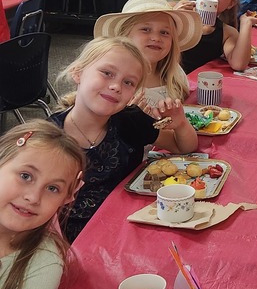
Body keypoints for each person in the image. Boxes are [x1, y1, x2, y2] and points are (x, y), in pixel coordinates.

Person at [49, 37, 197, 242]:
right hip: (72, 243)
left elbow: (183, 147)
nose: (116, 86)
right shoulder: (48, 139)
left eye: (128, 82)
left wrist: (180, 124)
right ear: (78, 72)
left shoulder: (131, 121)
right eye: (107, 73)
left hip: (133, 232)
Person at [0, 123, 85, 289]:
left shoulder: (44, 264)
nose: (33, 197)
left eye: (52, 188)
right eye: (25, 176)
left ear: (66, 199)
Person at [93, 0, 202, 147]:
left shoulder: (175, 75)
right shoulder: (114, 86)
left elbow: (181, 143)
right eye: (146, 29)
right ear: (124, 36)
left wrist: (180, 123)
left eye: (164, 32)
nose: (156, 38)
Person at [176, 0, 254, 74]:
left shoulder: (227, 33)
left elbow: (239, 64)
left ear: (231, 3)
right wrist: (173, 17)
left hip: (201, 83)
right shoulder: (174, 11)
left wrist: (246, 24)